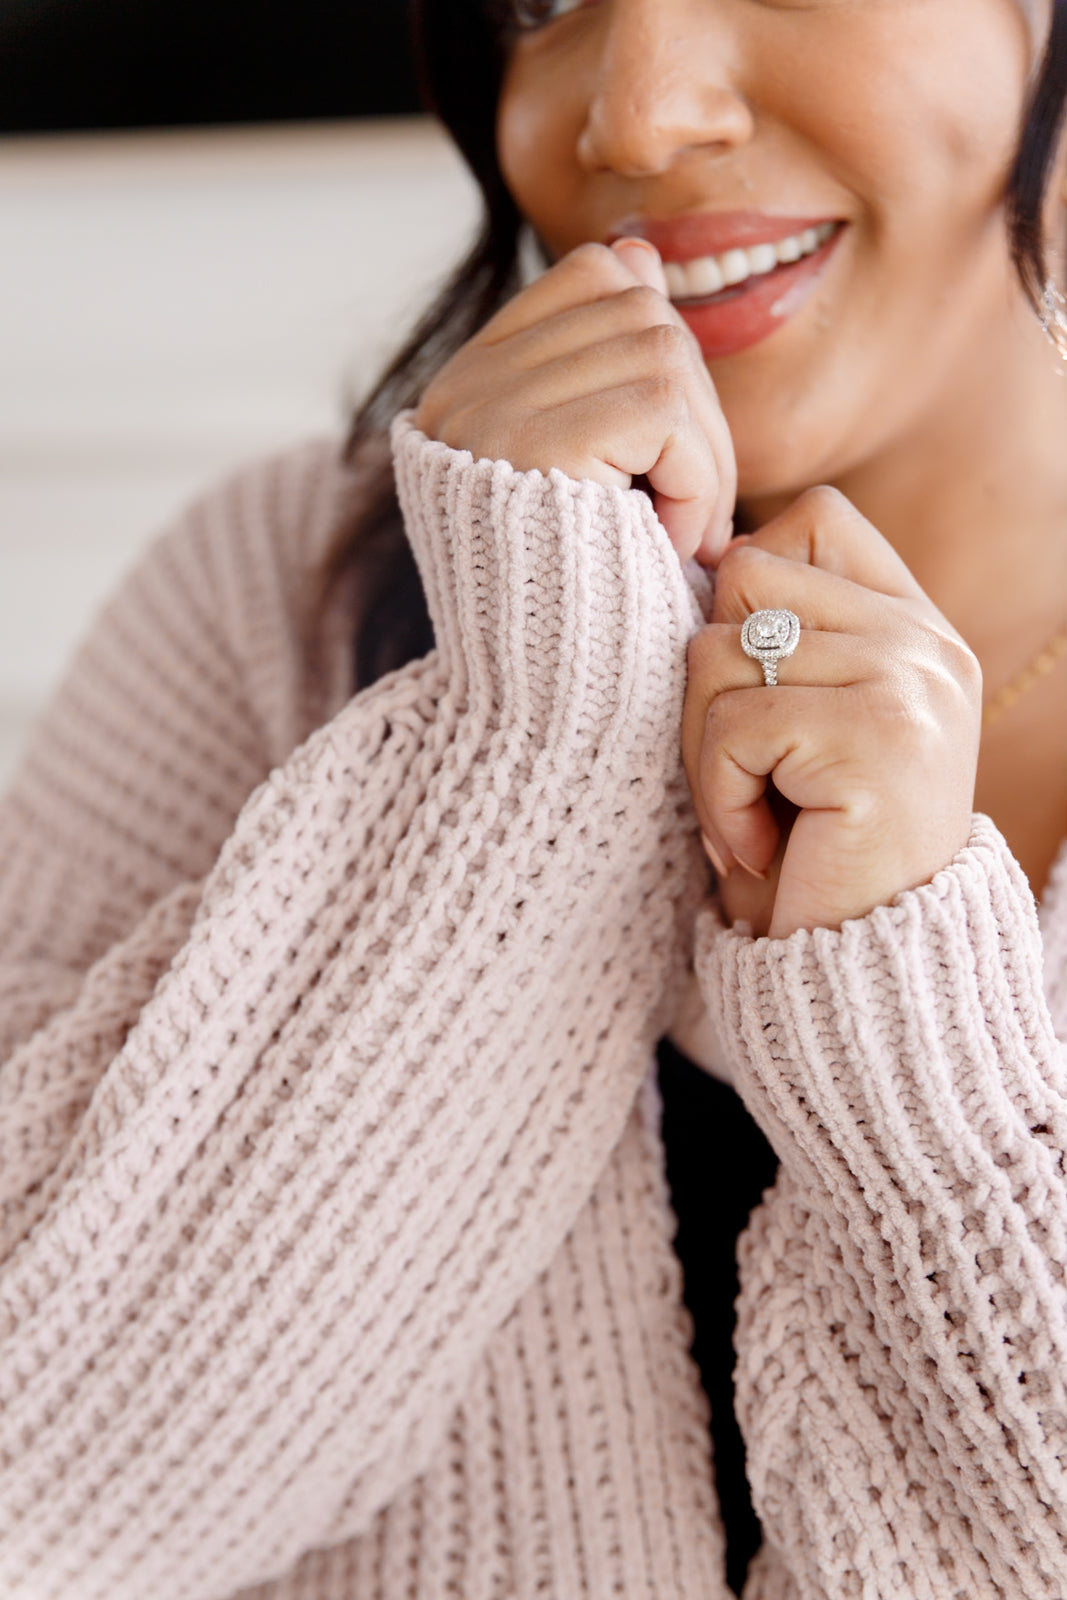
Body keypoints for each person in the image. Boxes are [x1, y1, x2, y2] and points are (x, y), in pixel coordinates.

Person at [1, 0, 1065, 1596]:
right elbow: (45, 1493)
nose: (632, 115)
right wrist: (527, 741)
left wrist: (903, 1011)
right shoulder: (267, 603)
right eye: (535, 4)